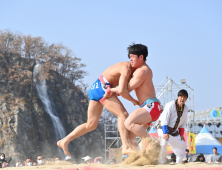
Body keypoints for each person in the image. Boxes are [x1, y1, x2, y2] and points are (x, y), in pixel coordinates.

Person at [57, 44, 147, 157]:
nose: (131, 59)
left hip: (95, 88)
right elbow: (123, 91)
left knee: (91, 124)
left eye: (132, 57)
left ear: (141, 57)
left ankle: (64, 141)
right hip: (102, 87)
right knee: (123, 114)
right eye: (130, 57)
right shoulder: (126, 67)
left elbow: (123, 89)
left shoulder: (134, 71)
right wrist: (133, 100)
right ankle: (125, 147)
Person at [158, 89, 189, 164]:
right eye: (181, 96)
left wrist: (181, 134)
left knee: (182, 145)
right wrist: (165, 132)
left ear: (186, 99)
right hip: (163, 128)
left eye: (184, 97)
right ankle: (161, 161)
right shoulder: (170, 105)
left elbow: (183, 122)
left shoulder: (186, 108)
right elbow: (165, 119)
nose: (182, 99)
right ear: (178, 97)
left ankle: (180, 161)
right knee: (164, 143)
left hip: (174, 131)